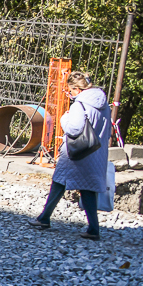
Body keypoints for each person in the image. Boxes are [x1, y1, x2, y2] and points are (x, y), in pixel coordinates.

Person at [29, 71, 111, 240]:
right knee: (87, 188)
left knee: (59, 181)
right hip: (95, 152)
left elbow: (74, 129)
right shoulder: (103, 103)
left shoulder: (79, 105)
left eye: (70, 91)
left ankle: (44, 218)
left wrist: (63, 120)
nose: (70, 94)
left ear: (76, 89)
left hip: (76, 152)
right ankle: (93, 228)